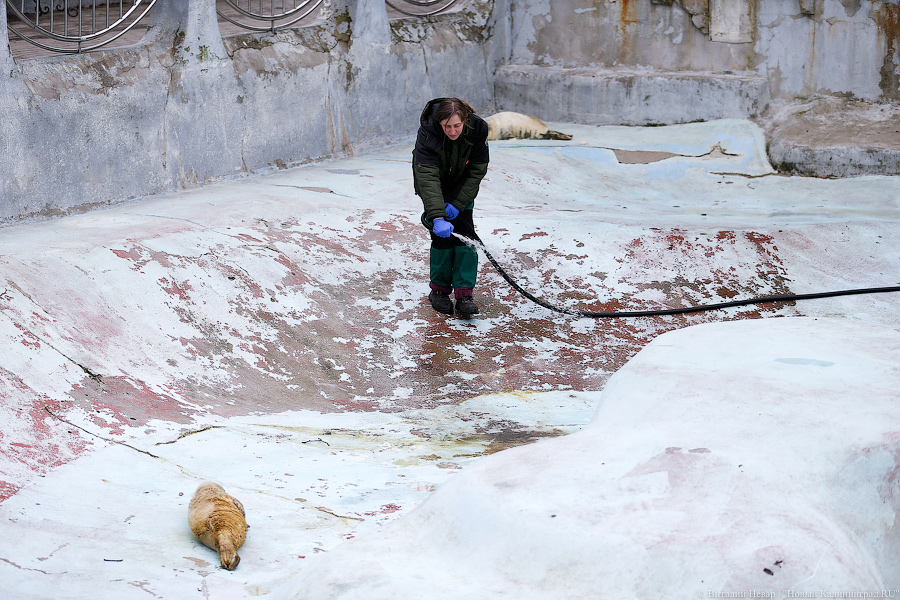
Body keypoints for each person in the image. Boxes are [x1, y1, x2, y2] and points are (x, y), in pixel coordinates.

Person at [412, 97, 490, 317]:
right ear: (439, 122)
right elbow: (427, 176)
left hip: (462, 183)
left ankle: (465, 293)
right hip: (435, 183)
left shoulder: (478, 129)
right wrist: (437, 216)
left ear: (465, 120)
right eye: (447, 126)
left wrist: (458, 203)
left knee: (466, 236)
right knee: (442, 239)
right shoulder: (427, 132)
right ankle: (438, 291)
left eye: (457, 125)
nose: (453, 131)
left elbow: (477, 170)